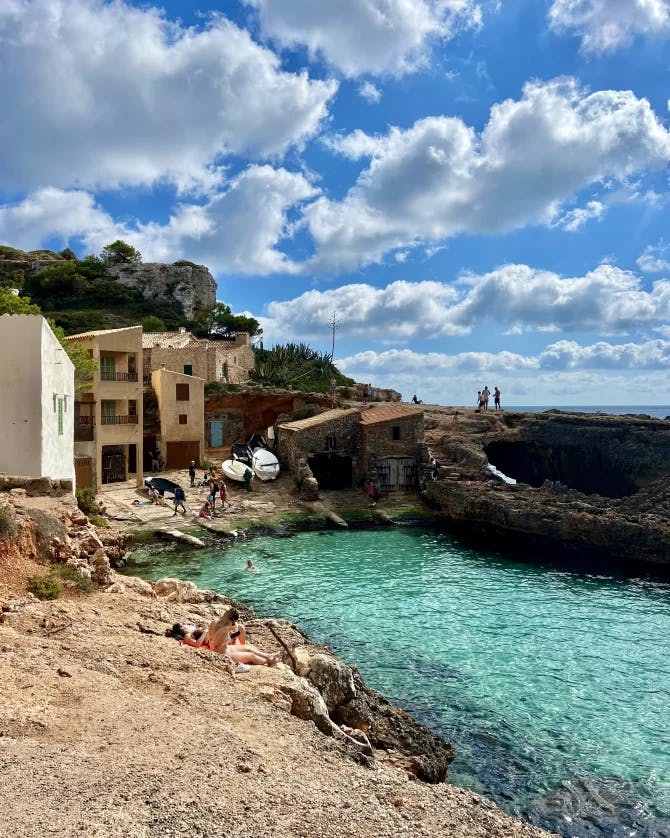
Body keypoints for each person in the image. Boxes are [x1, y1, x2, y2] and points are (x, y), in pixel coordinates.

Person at [181, 608, 280, 666]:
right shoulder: (224, 628)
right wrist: (232, 631)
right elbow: (225, 640)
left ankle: (268, 656)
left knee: (248, 648)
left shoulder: (216, 622)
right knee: (251, 656)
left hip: (226, 649)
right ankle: (269, 660)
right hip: (223, 653)